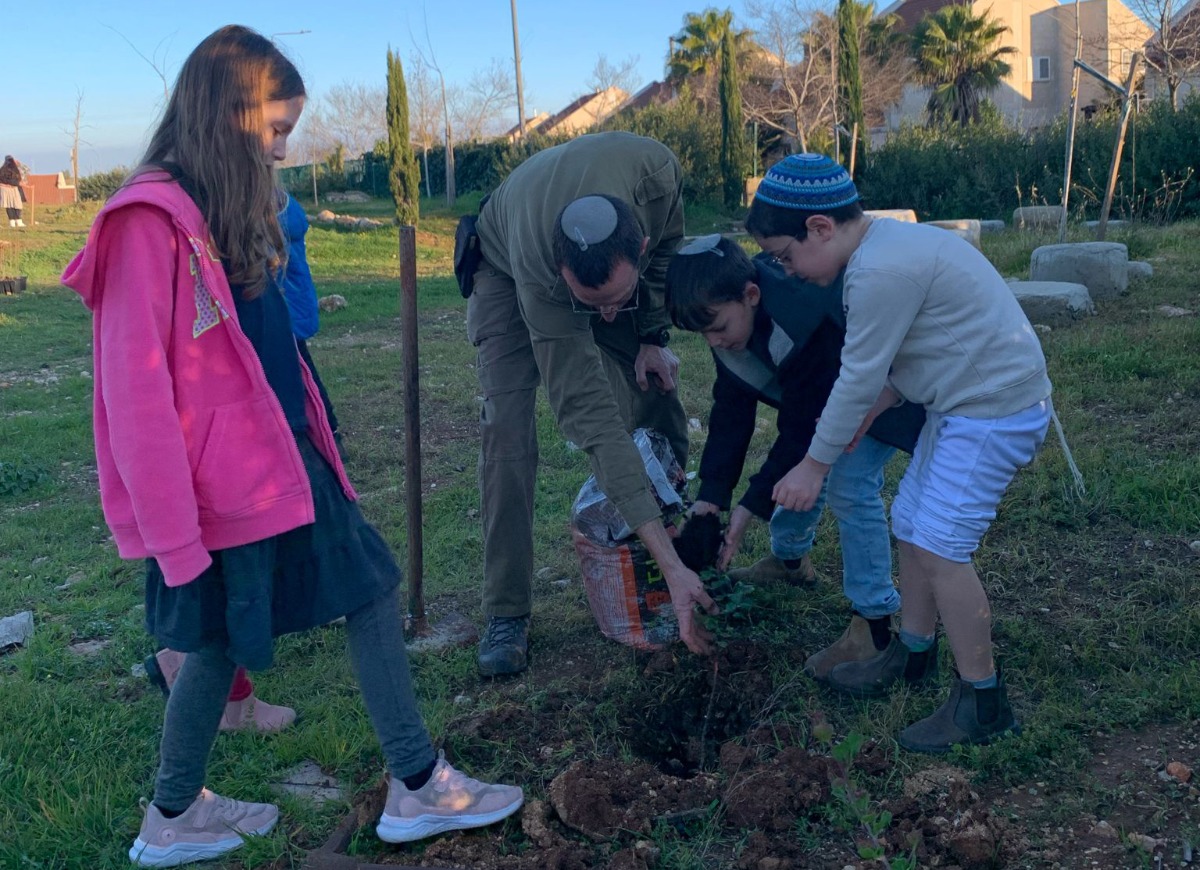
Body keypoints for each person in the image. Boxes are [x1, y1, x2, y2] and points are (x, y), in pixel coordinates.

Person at [61, 26, 522, 867]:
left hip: (282, 462)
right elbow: (135, 399)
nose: (281, 151)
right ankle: (418, 788)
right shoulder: (146, 222)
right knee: (352, 595)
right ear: (225, 114)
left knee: (227, 634)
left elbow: (270, 352)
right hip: (225, 486)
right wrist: (173, 542)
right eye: (274, 131)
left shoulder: (219, 213)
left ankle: (174, 815)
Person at [746, 154, 1053, 754]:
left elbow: (858, 375)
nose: (787, 269)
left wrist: (814, 466)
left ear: (820, 228)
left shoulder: (879, 271)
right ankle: (911, 653)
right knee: (911, 522)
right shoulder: (884, 247)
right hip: (962, 402)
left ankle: (982, 701)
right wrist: (876, 406)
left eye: (784, 255)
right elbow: (920, 352)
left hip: (993, 409)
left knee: (941, 545)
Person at [468, 131, 716, 676]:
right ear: (563, 276)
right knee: (508, 433)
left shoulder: (659, 174)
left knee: (652, 388)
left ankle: (678, 540)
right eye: (592, 304)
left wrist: (648, 331)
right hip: (503, 268)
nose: (607, 317)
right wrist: (602, 303)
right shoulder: (540, 275)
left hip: (602, 258)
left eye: (615, 300)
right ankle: (506, 611)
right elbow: (593, 423)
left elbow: (668, 255)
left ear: (639, 245)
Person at [665, 234, 924, 679]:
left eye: (719, 327)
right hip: (828, 399)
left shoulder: (801, 317)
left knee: (848, 483)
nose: (714, 341)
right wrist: (711, 500)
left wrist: (748, 508)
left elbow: (804, 431)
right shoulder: (736, 320)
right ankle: (789, 561)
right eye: (703, 333)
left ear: (750, 296)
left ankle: (874, 622)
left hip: (888, 390)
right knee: (796, 471)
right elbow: (732, 411)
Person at [143, 192, 326, 735]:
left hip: (250, 355)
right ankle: (219, 690)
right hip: (233, 373)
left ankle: (203, 674)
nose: (279, 146)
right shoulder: (204, 206)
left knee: (220, 538)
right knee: (227, 543)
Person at [1, 155, 27, 228]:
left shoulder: (3, 169)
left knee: (12, 205)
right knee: (13, 205)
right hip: (11, 189)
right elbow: (9, 180)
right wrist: (16, 183)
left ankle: (14, 222)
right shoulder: (8, 170)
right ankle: (16, 222)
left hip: (7, 189)